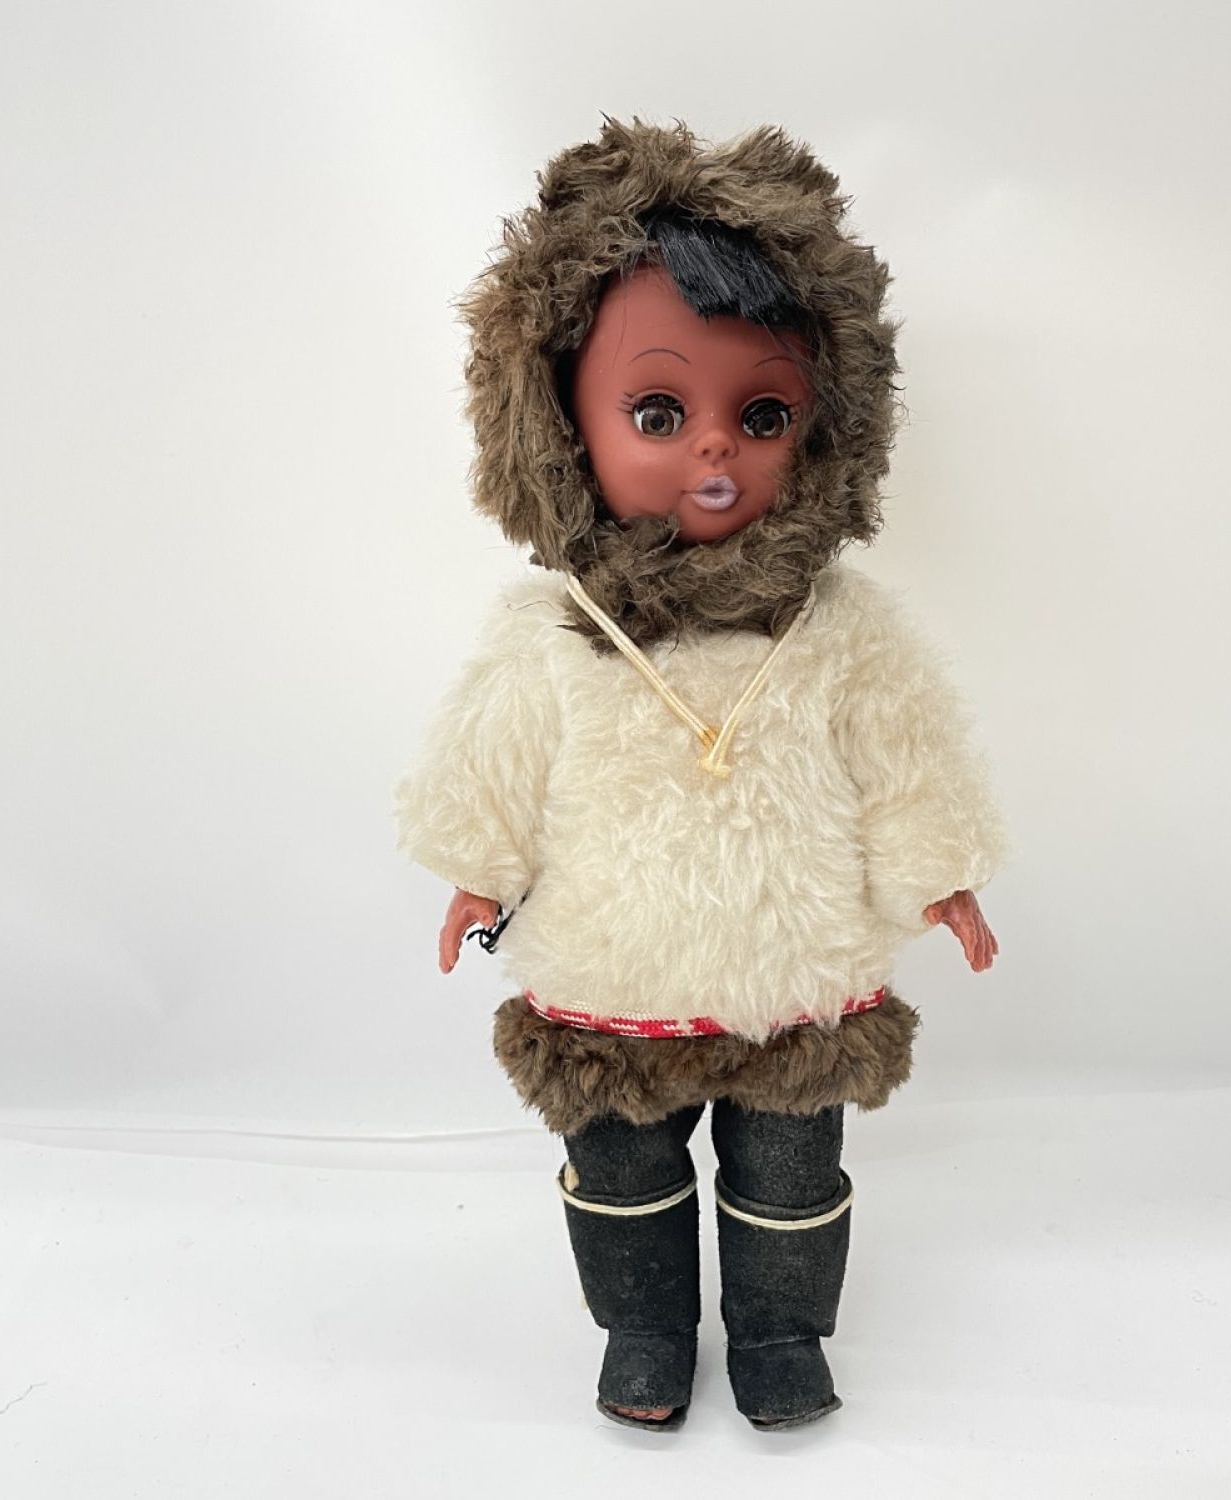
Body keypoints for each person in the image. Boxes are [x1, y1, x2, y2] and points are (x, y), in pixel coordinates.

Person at [395, 118, 1007, 1432]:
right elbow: (492, 760)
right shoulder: (558, 629)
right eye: (659, 413)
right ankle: (646, 1330)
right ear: (558, 424)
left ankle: (780, 1332)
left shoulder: (836, 625)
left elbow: (904, 751)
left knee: (791, 1177)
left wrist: (939, 872)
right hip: (611, 970)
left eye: (763, 414)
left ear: (827, 428)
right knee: (621, 1176)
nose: (715, 451)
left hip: (795, 976)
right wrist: (477, 870)